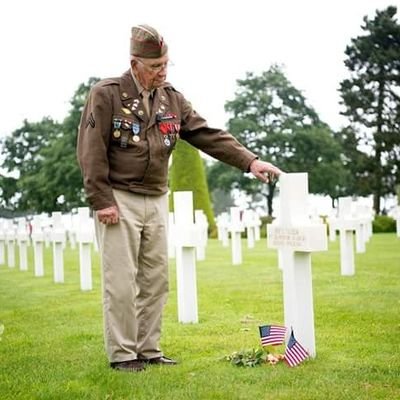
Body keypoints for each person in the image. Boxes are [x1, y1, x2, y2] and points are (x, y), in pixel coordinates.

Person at [77, 24, 282, 373]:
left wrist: (250, 161)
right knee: (121, 281)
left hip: (156, 198)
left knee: (156, 279)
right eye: (156, 66)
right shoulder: (106, 93)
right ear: (135, 63)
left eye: (166, 64)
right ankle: (124, 355)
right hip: (119, 197)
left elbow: (205, 133)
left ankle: (149, 349)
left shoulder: (172, 97)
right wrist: (102, 200)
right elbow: (90, 150)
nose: (163, 71)